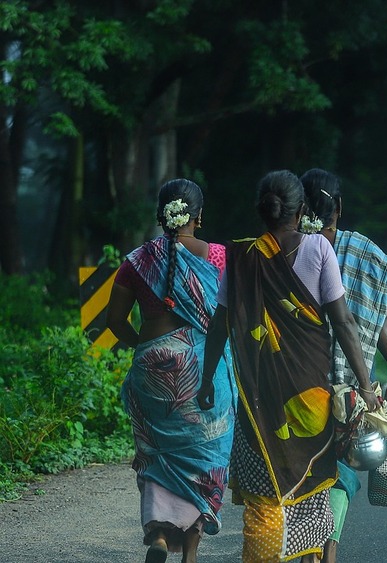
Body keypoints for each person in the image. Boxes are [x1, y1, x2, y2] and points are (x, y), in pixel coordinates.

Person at [197, 170, 379, 563]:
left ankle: (263, 554)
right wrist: (365, 384)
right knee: (311, 484)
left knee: (264, 493)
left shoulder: (243, 257)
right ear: (300, 212)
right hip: (310, 391)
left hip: (258, 395)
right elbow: (343, 321)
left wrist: (207, 376)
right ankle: (311, 554)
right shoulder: (319, 249)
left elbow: (220, 322)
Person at [107, 179, 237, 563]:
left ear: (160, 215)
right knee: (205, 457)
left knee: (157, 456)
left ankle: (160, 538)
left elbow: (115, 321)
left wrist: (147, 349)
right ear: (198, 215)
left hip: (151, 372)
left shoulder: (135, 262)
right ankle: (190, 553)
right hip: (201, 372)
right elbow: (232, 318)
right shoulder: (219, 257)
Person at [299, 168, 387, 563]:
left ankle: (306, 546)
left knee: (303, 468)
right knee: (341, 470)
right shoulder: (365, 253)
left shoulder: (285, 250)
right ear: (339, 208)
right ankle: (329, 546)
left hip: (296, 382)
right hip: (348, 387)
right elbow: (380, 321)